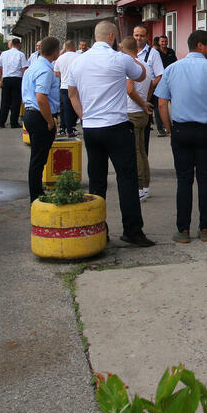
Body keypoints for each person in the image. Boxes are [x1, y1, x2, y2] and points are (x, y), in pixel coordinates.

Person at [68, 21, 154, 247]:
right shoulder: (120, 58)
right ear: (113, 37)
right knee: (127, 179)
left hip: (91, 128)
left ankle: (98, 228)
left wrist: (84, 116)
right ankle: (132, 231)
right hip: (116, 126)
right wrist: (129, 54)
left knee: (96, 180)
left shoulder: (78, 62)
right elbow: (141, 75)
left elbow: (72, 94)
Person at [155, 30, 207, 244]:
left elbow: (161, 103)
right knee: (205, 179)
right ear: (200, 46)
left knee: (184, 180)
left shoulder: (172, 68)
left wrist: (169, 128)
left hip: (181, 130)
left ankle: (183, 230)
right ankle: (205, 228)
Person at [22, 35, 60, 202]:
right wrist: (50, 121)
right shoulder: (45, 70)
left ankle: (36, 192)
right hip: (40, 116)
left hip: (31, 114)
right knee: (38, 159)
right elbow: (41, 98)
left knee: (37, 157)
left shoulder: (34, 66)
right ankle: (36, 195)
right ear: (55, 51)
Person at [131, 24, 164, 196]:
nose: (138, 38)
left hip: (145, 100)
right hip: (129, 105)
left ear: (147, 37)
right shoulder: (128, 54)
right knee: (134, 144)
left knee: (142, 144)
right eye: (136, 35)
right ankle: (139, 175)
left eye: (141, 36)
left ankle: (142, 177)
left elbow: (159, 75)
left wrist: (147, 92)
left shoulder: (153, 54)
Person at [120, 37, 153, 201]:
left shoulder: (130, 65)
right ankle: (145, 185)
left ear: (123, 49)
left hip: (132, 111)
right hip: (141, 113)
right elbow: (151, 85)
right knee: (141, 149)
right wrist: (146, 101)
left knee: (135, 151)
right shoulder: (145, 65)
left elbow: (130, 90)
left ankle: (139, 187)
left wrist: (142, 103)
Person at [0, 38, 28, 129]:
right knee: (16, 102)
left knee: (5, 101)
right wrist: (25, 82)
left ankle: (1, 121)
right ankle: (13, 122)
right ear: (18, 44)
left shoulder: (4, 54)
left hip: (6, 79)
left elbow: (0, 68)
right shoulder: (21, 54)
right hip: (17, 79)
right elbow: (24, 69)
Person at [153, 35, 178, 136]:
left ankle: (175, 124)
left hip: (172, 81)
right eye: (162, 41)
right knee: (159, 105)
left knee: (175, 102)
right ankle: (160, 128)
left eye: (165, 41)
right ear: (159, 43)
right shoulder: (155, 53)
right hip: (160, 81)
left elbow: (176, 64)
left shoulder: (171, 52)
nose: (164, 43)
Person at [54, 40, 79, 136]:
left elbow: (56, 72)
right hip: (76, 86)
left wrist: (63, 76)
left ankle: (67, 129)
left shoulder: (60, 58)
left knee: (65, 108)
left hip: (64, 86)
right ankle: (73, 127)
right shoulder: (78, 57)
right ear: (74, 47)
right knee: (77, 107)